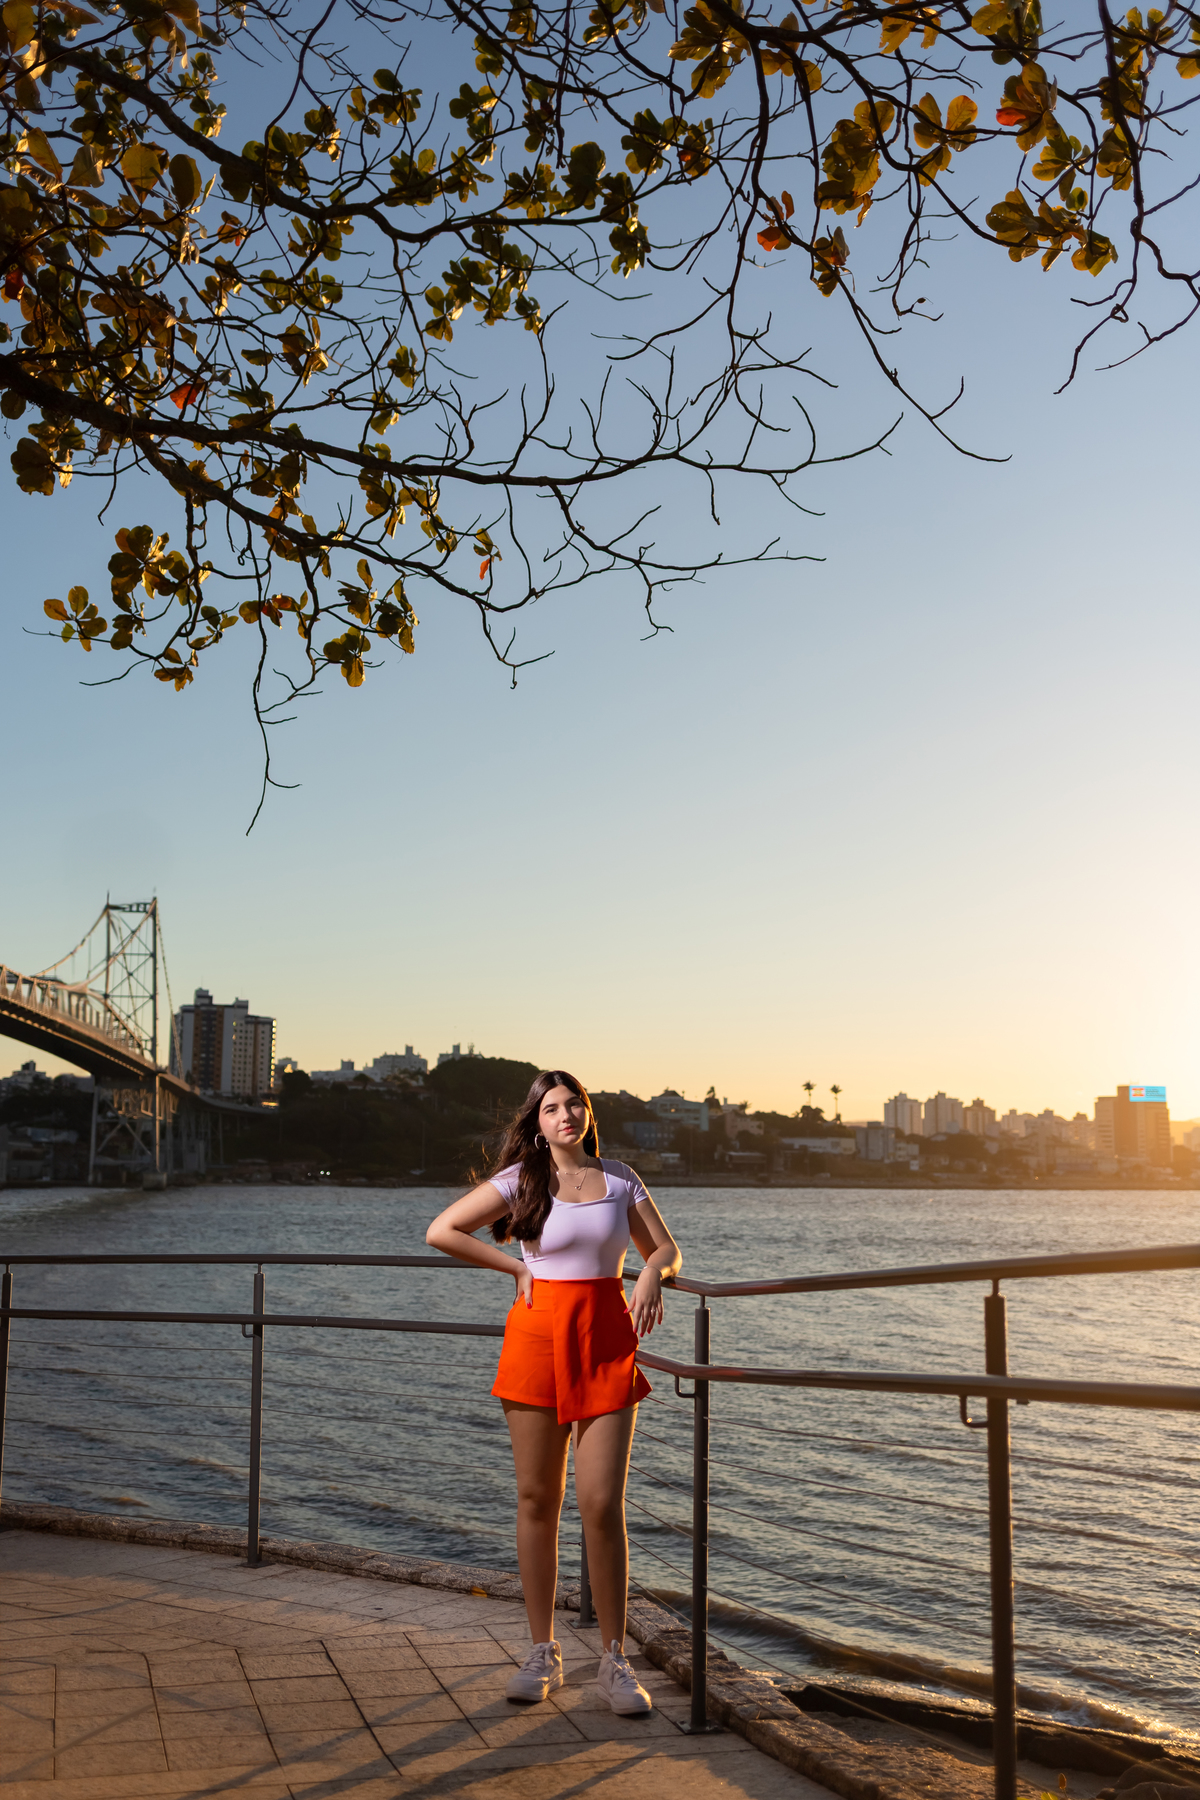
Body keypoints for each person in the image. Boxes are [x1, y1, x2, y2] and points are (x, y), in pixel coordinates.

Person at [426, 1069, 682, 1716]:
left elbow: (668, 1249)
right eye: (551, 1108)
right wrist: (515, 1266)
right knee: (538, 1499)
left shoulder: (620, 1178)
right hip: (536, 1338)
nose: (565, 1115)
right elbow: (442, 1230)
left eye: (575, 1104)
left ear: (588, 1114)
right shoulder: (521, 1180)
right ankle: (542, 1650)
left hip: (605, 1342)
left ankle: (615, 1658)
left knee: (601, 1504)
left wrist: (650, 1272)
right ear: (537, 1124)